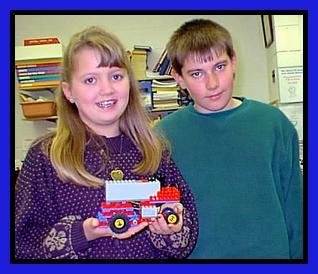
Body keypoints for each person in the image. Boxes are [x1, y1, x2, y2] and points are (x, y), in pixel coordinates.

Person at [15, 26, 198, 260]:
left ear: (130, 84)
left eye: (116, 76)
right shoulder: (46, 156)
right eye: (90, 79)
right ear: (69, 92)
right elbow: (22, 245)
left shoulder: (154, 150)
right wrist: (83, 234)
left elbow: (185, 238)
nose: (107, 89)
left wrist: (171, 230)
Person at [156, 19, 303, 259]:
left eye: (220, 67)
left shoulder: (274, 124)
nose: (212, 83)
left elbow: (296, 208)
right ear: (179, 78)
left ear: (234, 62)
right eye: (196, 73)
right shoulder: (162, 138)